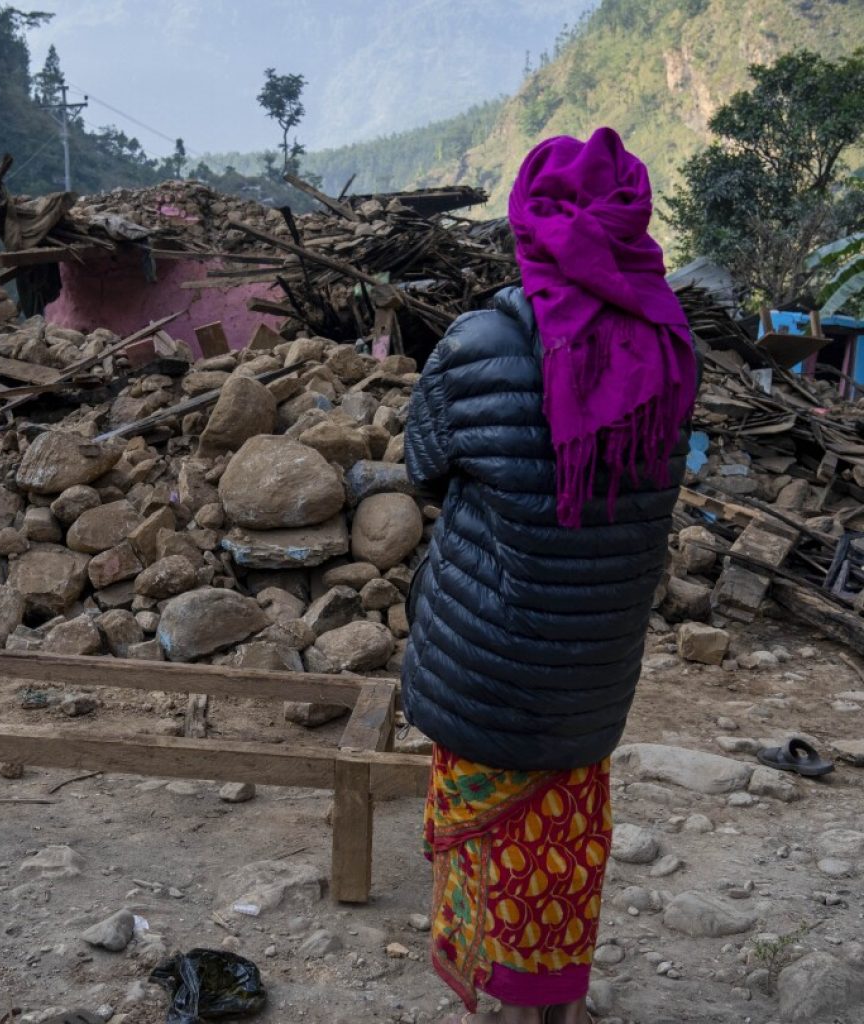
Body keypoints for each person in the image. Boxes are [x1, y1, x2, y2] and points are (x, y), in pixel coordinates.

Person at [401, 127, 699, 1024]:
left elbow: (424, 467)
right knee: (562, 837)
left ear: (527, 223)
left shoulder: (476, 341)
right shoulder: (673, 349)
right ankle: (554, 999)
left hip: (484, 657)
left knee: (489, 830)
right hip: (593, 666)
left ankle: (491, 994)